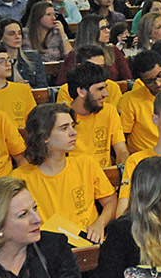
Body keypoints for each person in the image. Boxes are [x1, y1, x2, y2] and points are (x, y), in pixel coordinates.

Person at [13, 103, 117, 242]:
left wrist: (99, 224)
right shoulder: (19, 177)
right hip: (48, 248)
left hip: (87, 243)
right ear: (44, 136)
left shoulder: (86, 163)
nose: (73, 132)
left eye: (72, 126)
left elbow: (110, 201)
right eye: (64, 128)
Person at [64, 61, 128, 166]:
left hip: (104, 176)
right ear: (81, 91)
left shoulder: (109, 111)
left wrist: (124, 167)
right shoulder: (63, 117)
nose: (106, 94)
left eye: (105, 88)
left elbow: (121, 150)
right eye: (100, 89)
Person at [0, 18, 47, 87]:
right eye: (12, 34)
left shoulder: (34, 58)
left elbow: (43, 86)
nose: (17, 37)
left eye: (19, 33)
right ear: (1, 38)